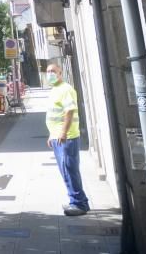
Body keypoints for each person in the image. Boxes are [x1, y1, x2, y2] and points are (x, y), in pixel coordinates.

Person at [46, 63, 89, 216]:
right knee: (66, 170)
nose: (50, 74)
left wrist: (63, 133)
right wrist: (52, 134)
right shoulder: (55, 90)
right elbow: (55, 115)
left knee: (69, 170)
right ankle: (77, 200)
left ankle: (79, 204)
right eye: (48, 71)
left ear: (60, 73)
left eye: (53, 71)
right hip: (58, 137)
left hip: (67, 138)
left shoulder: (65, 89)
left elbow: (69, 111)